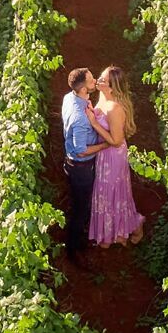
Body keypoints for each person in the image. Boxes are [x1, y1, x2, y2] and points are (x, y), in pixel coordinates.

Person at [88, 64, 145, 246]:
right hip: (104, 155)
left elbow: (117, 141)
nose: (99, 80)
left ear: (112, 87)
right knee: (105, 193)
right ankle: (110, 234)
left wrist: (95, 124)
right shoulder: (102, 99)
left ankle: (134, 226)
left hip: (113, 156)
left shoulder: (114, 108)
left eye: (103, 80)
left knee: (114, 193)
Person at [60, 66, 106, 265]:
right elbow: (81, 150)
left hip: (71, 164)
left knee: (79, 204)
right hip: (81, 169)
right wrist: (106, 144)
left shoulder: (69, 98)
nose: (95, 80)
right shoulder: (80, 119)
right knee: (80, 208)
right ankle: (74, 249)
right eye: (91, 80)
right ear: (83, 89)